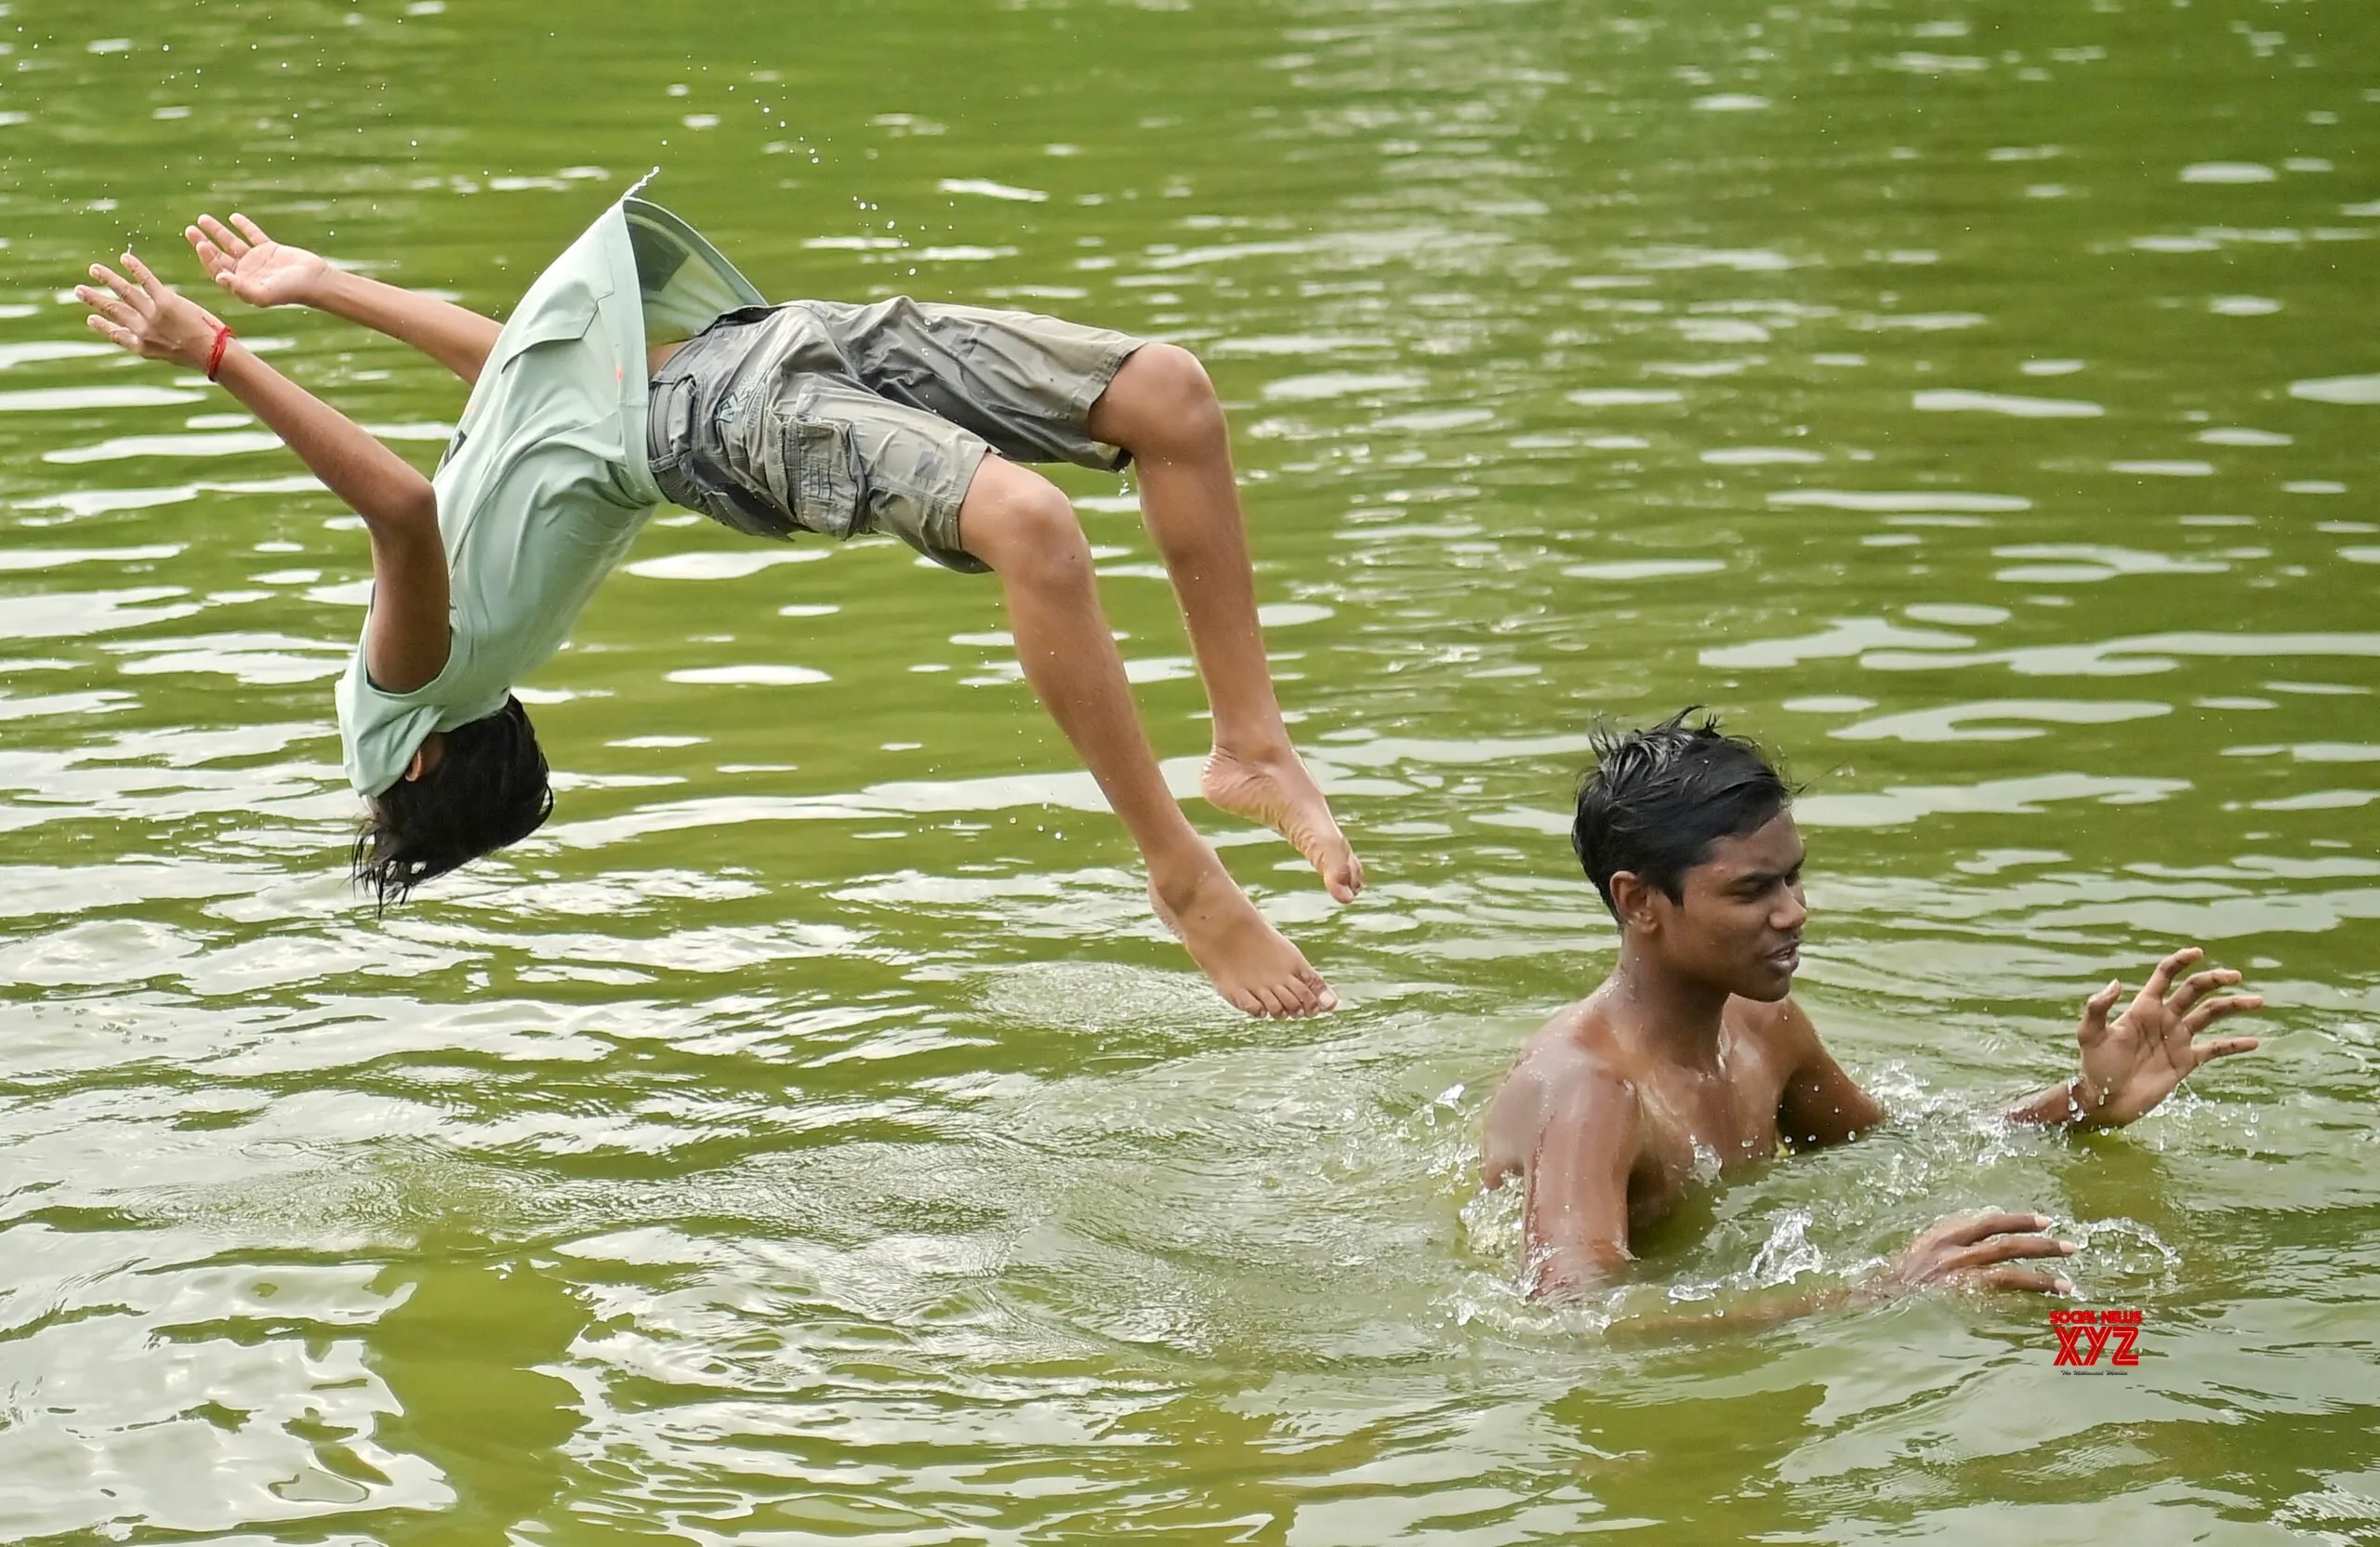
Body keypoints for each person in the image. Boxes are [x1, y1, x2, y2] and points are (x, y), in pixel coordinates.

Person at [73, 186, 1360, 1018]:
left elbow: (519, 366)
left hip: (752, 339)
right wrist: (223, 358)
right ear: (419, 769)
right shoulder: (405, 699)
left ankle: (1250, 739)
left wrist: (319, 282)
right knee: (1033, 524)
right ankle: (1176, 868)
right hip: (716, 413)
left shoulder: (505, 572)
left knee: (1170, 397)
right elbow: (397, 509)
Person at [1481, 709, 2266, 1306]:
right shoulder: (1593, 1089)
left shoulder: (1761, 1024)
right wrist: (1875, 1290)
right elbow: (1573, 1317)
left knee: (2090, 1336)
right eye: (1753, 889)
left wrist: (2082, 1102)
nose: (1795, 912)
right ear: (1639, 900)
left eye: (1792, 878)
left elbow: (1890, 1146)